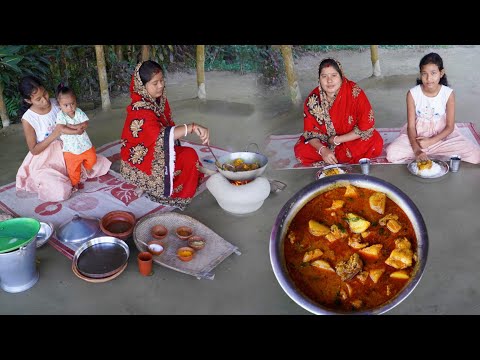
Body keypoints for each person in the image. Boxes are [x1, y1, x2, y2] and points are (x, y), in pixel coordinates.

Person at [120, 60, 210, 210]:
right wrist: (192, 127)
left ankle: (161, 184)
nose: (161, 85)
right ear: (142, 86)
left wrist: (187, 129)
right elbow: (161, 135)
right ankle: (151, 186)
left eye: (162, 80)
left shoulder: (158, 100)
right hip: (142, 158)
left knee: (189, 155)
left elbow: (166, 130)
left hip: (155, 148)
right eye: (155, 83)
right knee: (188, 157)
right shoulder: (140, 109)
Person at [16, 76, 111, 202]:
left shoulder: (57, 103)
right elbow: (34, 150)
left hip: (69, 149)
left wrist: (78, 128)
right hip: (46, 160)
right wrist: (56, 133)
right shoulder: (28, 119)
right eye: (38, 99)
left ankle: (70, 175)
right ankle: (62, 179)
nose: (45, 100)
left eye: (45, 93)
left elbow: (75, 116)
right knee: (60, 190)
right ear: (28, 101)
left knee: (99, 164)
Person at [386, 52, 480, 164]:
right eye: (424, 73)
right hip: (418, 137)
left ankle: (431, 151)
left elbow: (449, 127)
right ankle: (425, 153)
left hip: (442, 137)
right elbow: (411, 127)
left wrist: (430, 142)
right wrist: (417, 151)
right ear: (420, 74)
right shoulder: (412, 94)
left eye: (433, 73)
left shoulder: (448, 94)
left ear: (441, 73)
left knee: (475, 155)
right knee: (392, 153)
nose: (429, 78)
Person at [294, 57, 383, 166]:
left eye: (334, 75)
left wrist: (337, 139)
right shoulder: (312, 100)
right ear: (319, 79)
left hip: (351, 138)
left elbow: (366, 127)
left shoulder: (354, 92)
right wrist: (323, 150)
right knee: (301, 151)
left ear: (341, 76)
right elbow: (310, 133)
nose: (329, 80)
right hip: (325, 141)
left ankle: (335, 158)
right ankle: (332, 157)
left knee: (375, 142)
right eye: (324, 76)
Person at [55, 84, 97, 191]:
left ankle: (87, 167)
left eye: (72, 103)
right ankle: (75, 183)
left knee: (92, 158)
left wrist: (75, 126)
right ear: (59, 105)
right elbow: (61, 129)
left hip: (85, 144)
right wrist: (76, 131)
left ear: (75, 101)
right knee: (72, 168)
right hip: (70, 149)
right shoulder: (61, 115)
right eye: (66, 105)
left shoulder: (78, 112)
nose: (70, 107)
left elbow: (85, 123)